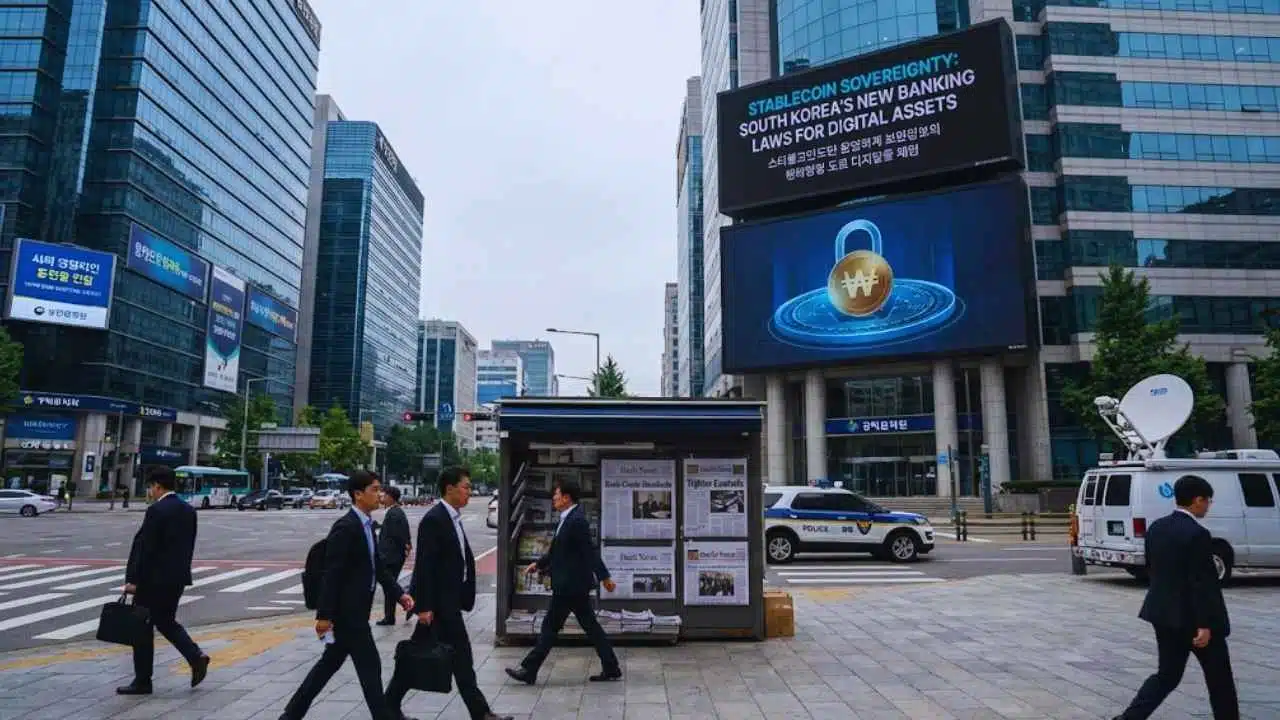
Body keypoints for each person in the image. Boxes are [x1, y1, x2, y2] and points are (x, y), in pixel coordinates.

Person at [280, 470, 414, 720]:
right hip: (348, 614)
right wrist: (324, 616)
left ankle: (290, 716)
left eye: (380, 489)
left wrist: (399, 594)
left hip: (355, 612)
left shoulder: (366, 525)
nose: (379, 494)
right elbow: (332, 573)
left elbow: (377, 567)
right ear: (358, 494)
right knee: (370, 668)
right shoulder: (346, 527)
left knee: (327, 667)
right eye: (374, 489)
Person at [384, 467, 510, 720]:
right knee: (453, 658)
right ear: (449, 488)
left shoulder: (452, 518)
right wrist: (424, 607)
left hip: (449, 602)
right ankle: (481, 713)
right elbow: (425, 565)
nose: (469, 492)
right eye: (466, 487)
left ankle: (389, 707)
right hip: (439, 606)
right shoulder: (435, 519)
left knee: (440, 658)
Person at [1115, 474, 1238, 720]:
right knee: (1219, 678)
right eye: (1207, 501)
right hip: (1194, 619)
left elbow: (1153, 568)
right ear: (1197, 500)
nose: (1208, 506)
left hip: (1163, 613)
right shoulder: (1197, 533)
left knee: (1167, 675)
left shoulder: (1157, 528)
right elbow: (1201, 582)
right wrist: (1205, 623)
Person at [505, 477, 621, 686]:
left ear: (566, 498)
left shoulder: (576, 521)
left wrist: (604, 577)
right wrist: (538, 564)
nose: (554, 498)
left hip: (570, 586)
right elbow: (557, 551)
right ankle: (611, 666)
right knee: (590, 627)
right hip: (571, 585)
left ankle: (529, 669)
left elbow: (589, 552)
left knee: (550, 628)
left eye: (557, 495)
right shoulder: (567, 518)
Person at [118, 467, 210, 695]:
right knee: (166, 621)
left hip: (152, 580)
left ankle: (143, 680)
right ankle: (195, 657)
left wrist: (134, 580)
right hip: (176, 578)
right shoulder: (188, 510)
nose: (150, 492)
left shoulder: (157, 510)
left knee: (142, 629)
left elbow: (146, 549)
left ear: (157, 486)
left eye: (150, 488)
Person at [377, 485, 412, 626]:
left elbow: (398, 535)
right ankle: (390, 616)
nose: (382, 498)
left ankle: (408, 602)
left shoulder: (394, 513)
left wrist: (404, 547)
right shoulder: (396, 512)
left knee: (389, 585)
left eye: (384, 495)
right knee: (389, 586)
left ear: (391, 497)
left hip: (391, 556)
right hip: (394, 555)